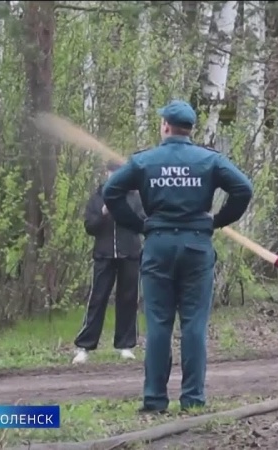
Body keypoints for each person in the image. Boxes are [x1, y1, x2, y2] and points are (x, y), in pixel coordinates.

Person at [102, 99, 253, 413]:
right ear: (191, 129)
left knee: (158, 324)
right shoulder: (209, 160)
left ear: (166, 126)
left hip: (158, 244)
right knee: (194, 325)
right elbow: (243, 189)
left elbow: (111, 191)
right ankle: (193, 399)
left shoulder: (145, 160)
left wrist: (137, 224)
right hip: (197, 246)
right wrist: (218, 220)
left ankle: (155, 399)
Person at [73, 160, 146, 364]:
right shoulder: (97, 198)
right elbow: (90, 227)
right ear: (106, 173)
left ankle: (125, 345)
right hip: (104, 255)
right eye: (111, 173)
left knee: (129, 300)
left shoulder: (135, 198)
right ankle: (85, 346)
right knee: (97, 299)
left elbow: (142, 223)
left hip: (130, 254)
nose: (114, 176)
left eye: (119, 173)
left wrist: (126, 214)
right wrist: (104, 214)